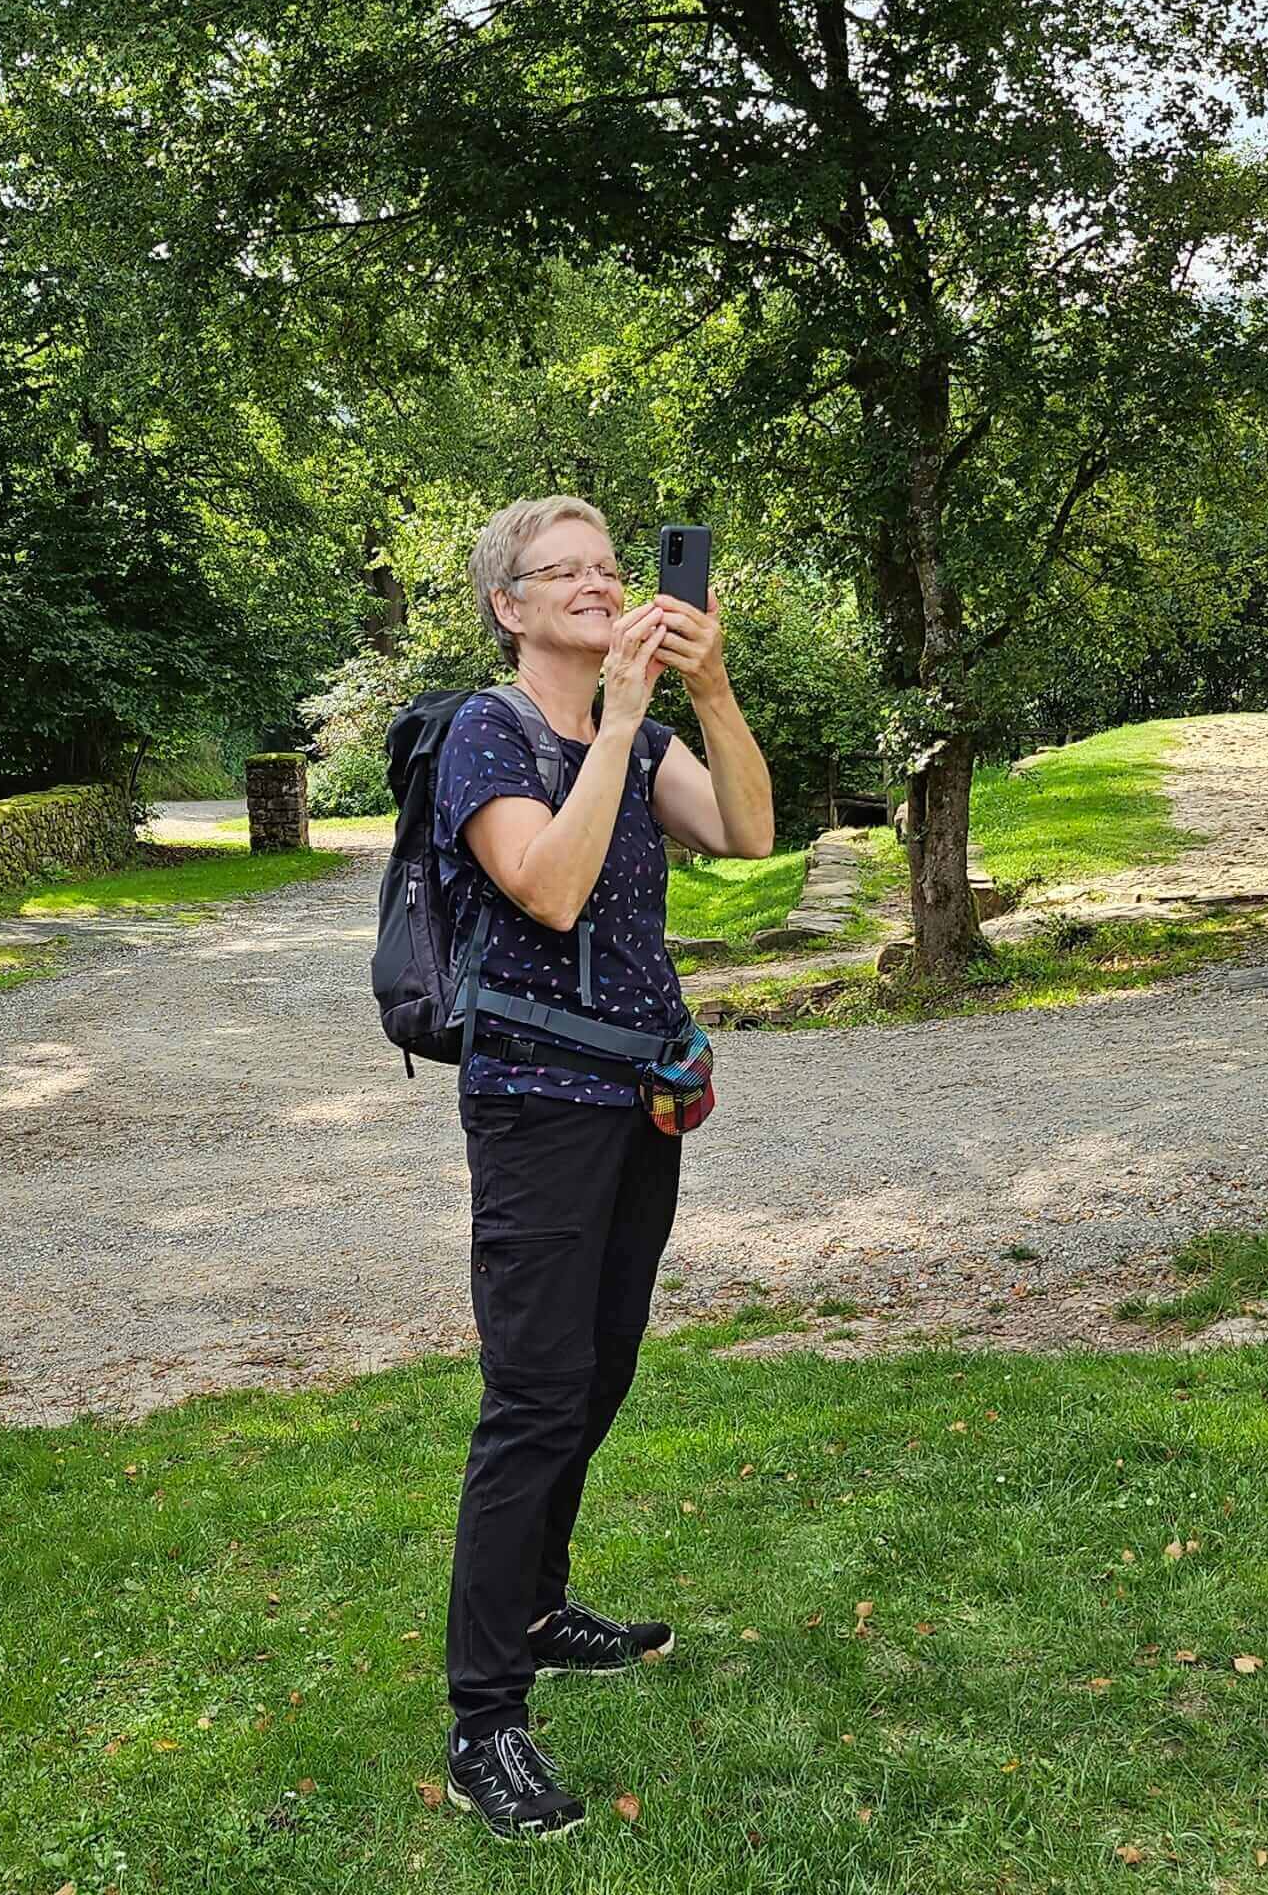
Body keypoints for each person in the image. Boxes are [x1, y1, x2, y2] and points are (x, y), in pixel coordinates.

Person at [432, 495, 774, 1838]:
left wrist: (715, 683)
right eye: (559, 572)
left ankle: (537, 1600)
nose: (596, 585)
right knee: (532, 1395)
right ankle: (484, 1720)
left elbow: (747, 832)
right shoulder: (489, 734)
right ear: (509, 609)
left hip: (640, 1100)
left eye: (610, 569)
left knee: (603, 1368)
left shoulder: (646, 734)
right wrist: (622, 723)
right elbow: (550, 889)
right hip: (534, 1108)